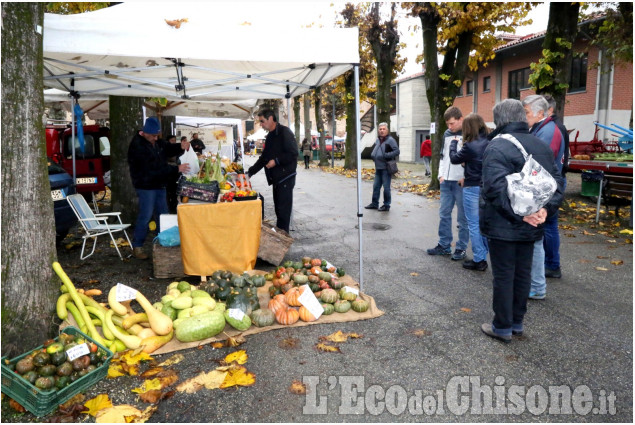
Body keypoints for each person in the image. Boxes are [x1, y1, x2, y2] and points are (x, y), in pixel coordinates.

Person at [479, 99, 564, 343]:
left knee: (505, 274)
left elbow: (494, 189)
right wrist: (545, 210)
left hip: (503, 223)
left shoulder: (496, 147)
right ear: (521, 117)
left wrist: (521, 214)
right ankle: (517, 322)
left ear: (498, 120)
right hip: (533, 223)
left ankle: (502, 326)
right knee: (522, 273)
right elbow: (556, 183)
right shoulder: (540, 144)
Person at [522, 95, 566, 300]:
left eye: (527, 113)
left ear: (541, 113)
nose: (525, 117)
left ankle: (541, 282)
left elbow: (540, 164)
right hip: (545, 188)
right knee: (543, 231)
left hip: (545, 190)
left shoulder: (548, 131)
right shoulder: (543, 128)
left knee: (541, 232)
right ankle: (544, 274)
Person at [128, 117, 190, 259]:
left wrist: (180, 146)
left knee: (163, 215)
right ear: (145, 133)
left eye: (157, 135)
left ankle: (164, 242)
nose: (156, 138)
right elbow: (153, 169)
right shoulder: (138, 146)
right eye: (153, 136)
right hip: (145, 186)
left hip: (159, 184)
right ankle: (137, 246)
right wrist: (176, 169)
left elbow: (166, 147)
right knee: (146, 215)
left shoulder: (155, 141)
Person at [427, 106, 469, 261]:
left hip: (461, 182)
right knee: (444, 214)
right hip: (446, 181)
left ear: (460, 119)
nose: (450, 127)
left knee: (463, 218)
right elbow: (443, 156)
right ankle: (444, 245)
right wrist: (440, 175)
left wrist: (466, 176)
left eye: (452, 124)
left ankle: (461, 247)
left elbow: (470, 158)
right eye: (448, 124)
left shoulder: (468, 133)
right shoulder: (446, 134)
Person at [449, 113, 490, 271]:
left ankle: (479, 259)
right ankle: (484, 253)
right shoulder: (489, 141)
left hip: (472, 186)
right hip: (487, 186)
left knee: (473, 223)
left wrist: (453, 144)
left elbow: (454, 158)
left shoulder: (470, 145)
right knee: (483, 223)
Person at [247, 109, 298, 233]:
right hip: (276, 178)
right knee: (279, 210)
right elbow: (264, 158)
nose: (261, 125)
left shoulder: (285, 132)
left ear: (270, 119)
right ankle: (281, 238)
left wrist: (276, 161)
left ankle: (283, 239)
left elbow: (293, 153)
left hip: (286, 177)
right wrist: (249, 173)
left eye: (262, 121)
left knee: (283, 212)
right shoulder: (270, 136)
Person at [542, 94, 569, 278]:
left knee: (549, 224)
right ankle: (551, 262)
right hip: (558, 178)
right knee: (550, 225)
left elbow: (548, 158)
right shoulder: (560, 127)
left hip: (552, 181)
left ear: (549, 110)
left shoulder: (553, 128)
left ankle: (552, 264)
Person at [365, 122, 400, 212]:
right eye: (380, 129)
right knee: (376, 186)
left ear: (387, 130)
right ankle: (374, 203)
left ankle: (386, 205)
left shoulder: (390, 140)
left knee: (386, 188)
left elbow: (397, 151)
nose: (382, 131)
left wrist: (386, 155)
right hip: (378, 168)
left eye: (384, 129)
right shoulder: (378, 140)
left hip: (386, 168)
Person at [165, 134, 180, 214]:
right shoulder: (166, 149)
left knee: (174, 191)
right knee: (169, 191)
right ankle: (170, 208)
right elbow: (171, 158)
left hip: (175, 172)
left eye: (175, 141)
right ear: (168, 141)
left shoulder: (174, 149)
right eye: (172, 141)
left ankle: (173, 207)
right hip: (168, 173)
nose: (174, 142)